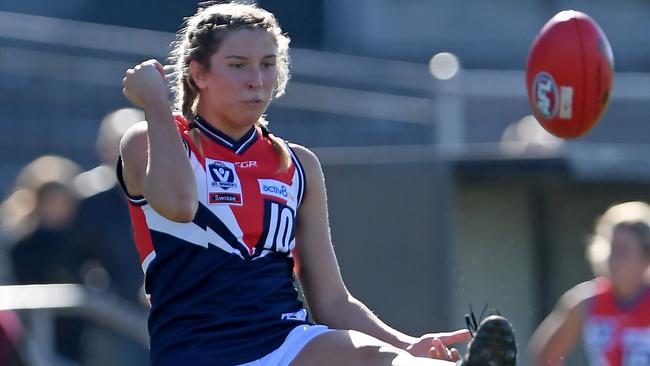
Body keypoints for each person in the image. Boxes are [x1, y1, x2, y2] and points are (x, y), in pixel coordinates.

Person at [119, 2, 517, 365]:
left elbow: (331, 301)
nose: (257, 80)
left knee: (374, 356)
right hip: (197, 353)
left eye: (268, 64)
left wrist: (406, 344)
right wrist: (156, 103)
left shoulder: (297, 164)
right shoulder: (152, 139)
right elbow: (178, 205)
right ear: (198, 73)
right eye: (238, 65)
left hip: (285, 342)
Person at [528, 201, 650, 365]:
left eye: (623, 250)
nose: (613, 260)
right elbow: (545, 357)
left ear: (646, 256)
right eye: (611, 248)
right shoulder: (586, 301)